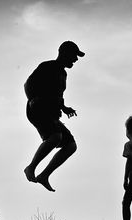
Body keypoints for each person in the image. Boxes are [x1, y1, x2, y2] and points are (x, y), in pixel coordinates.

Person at [23, 41, 85, 192]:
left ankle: (44, 175)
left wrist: (64, 108)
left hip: (52, 113)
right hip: (38, 109)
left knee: (71, 145)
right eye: (74, 56)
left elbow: (58, 95)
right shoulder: (48, 66)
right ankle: (31, 167)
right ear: (63, 53)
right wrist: (33, 99)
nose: (76, 60)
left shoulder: (63, 74)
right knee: (55, 137)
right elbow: (27, 84)